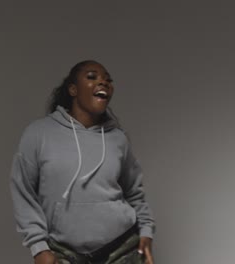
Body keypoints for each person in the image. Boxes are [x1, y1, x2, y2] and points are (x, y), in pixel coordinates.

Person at [10, 60, 155, 264]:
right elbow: (23, 192)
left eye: (108, 80)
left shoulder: (118, 138)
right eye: (92, 77)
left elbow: (134, 192)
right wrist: (38, 247)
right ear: (73, 89)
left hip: (122, 248)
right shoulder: (39, 133)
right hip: (62, 250)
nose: (103, 83)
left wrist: (146, 231)